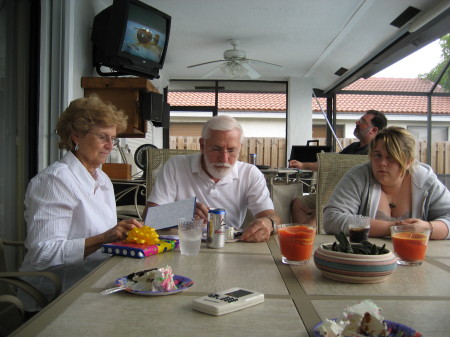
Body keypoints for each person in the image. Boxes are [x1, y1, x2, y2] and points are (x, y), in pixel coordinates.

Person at [19, 96, 142, 312]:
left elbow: (106, 237)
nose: (110, 146)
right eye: (103, 137)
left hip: (98, 283)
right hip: (59, 298)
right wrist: (106, 238)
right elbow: (42, 253)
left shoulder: (101, 178)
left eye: (114, 139)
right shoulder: (55, 181)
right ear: (76, 135)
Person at [145, 115, 280, 243]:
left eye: (231, 150)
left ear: (240, 148)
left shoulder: (250, 173)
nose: (224, 159)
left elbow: (272, 216)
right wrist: (182, 212)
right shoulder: (175, 166)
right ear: (202, 145)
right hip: (185, 245)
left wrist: (270, 223)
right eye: (216, 149)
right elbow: (149, 219)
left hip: (230, 246)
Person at [323, 126, 450, 240]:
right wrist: (394, 228)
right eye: (377, 155)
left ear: (408, 162)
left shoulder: (425, 180)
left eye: (391, 157)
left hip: (416, 256)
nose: (382, 163)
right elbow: (332, 219)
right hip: (367, 258)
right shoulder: (359, 176)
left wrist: (428, 228)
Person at [289, 110, 387, 225]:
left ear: (374, 130)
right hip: (332, 190)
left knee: (317, 213)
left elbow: (330, 165)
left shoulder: (374, 152)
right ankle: (304, 231)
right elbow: (332, 164)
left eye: (362, 121)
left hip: (350, 195)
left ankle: (306, 231)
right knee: (298, 203)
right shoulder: (353, 147)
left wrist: (303, 165)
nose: (357, 122)